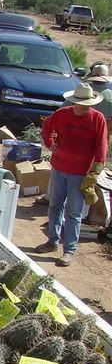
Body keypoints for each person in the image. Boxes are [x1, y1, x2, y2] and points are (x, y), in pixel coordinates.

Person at [35, 83, 108, 267]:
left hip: (80, 174)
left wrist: (95, 171)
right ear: (74, 102)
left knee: (74, 213)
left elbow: (101, 146)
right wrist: (49, 142)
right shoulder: (62, 114)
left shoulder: (97, 119)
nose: (85, 108)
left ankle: (69, 250)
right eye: (81, 104)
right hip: (59, 168)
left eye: (88, 105)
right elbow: (46, 125)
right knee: (55, 206)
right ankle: (52, 241)